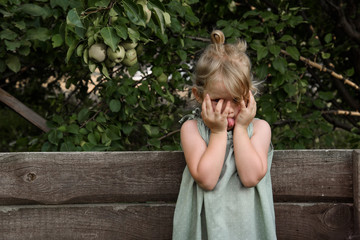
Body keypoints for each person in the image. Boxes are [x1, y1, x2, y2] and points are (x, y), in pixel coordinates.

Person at [172, 30, 277, 240]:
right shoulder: (192, 130)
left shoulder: (259, 129)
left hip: (248, 230)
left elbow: (250, 177)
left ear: (249, 95)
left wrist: (240, 129)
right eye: (218, 100)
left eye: (236, 99)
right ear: (198, 95)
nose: (227, 109)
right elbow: (207, 179)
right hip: (205, 230)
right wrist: (219, 132)